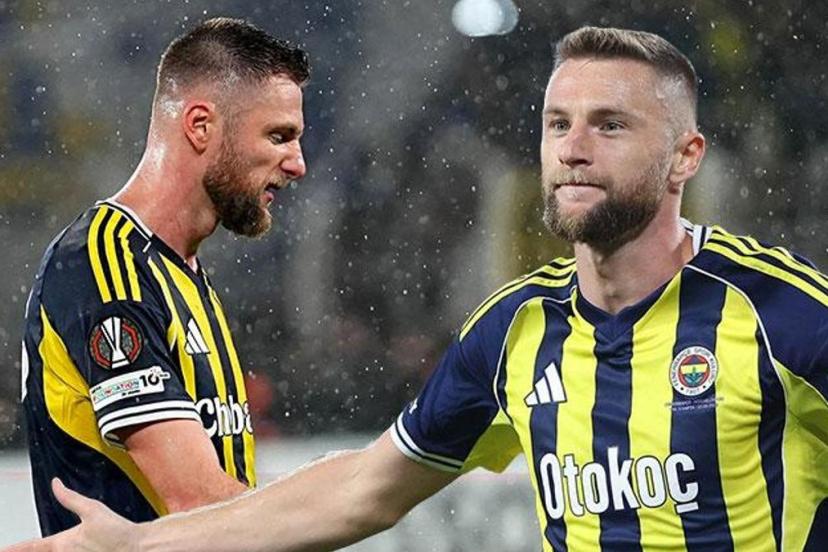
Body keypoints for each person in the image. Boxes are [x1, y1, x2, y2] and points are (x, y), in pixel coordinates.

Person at [8, 25, 828, 552]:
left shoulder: (784, 316)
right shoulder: (514, 332)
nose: (573, 148)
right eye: (557, 123)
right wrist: (139, 545)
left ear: (686, 156)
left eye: (610, 124)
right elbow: (366, 488)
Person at [16, 17, 308, 536]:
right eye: (279, 136)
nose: (297, 164)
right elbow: (201, 506)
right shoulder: (105, 264)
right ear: (200, 125)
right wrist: (362, 492)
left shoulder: (182, 272)